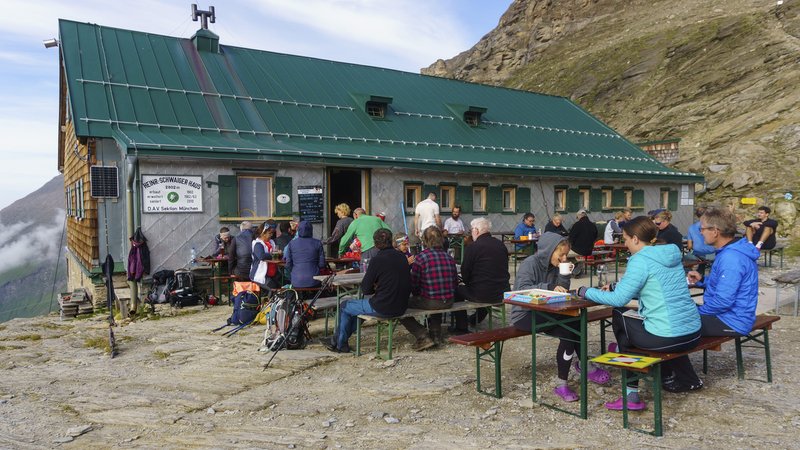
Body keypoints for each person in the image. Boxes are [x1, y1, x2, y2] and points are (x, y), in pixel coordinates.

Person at [578, 217, 702, 410]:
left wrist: (585, 291)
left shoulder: (640, 260)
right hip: (692, 332)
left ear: (635, 239)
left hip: (667, 337)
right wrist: (616, 286)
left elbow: (620, 300)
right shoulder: (670, 254)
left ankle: (631, 395)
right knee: (641, 322)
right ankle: (683, 377)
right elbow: (653, 287)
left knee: (620, 316)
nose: (625, 244)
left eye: (626, 239)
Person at [511, 232, 612, 402]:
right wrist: (549, 286)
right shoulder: (530, 264)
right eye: (561, 254)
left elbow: (562, 289)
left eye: (567, 254)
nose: (564, 257)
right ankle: (563, 383)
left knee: (575, 323)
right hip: (524, 313)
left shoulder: (556, 264)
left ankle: (581, 368)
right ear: (548, 251)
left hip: (546, 311)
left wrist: (564, 274)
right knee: (568, 327)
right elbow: (522, 289)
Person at [325, 228, 410, 353]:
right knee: (355, 311)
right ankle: (337, 341)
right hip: (402, 305)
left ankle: (340, 343)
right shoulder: (402, 257)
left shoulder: (377, 260)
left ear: (375, 244)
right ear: (392, 241)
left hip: (384, 307)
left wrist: (376, 286)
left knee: (344, 305)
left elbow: (365, 289)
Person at [687, 208, 760, 339]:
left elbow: (723, 301)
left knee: (672, 324)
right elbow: (728, 285)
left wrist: (697, 313)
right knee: (679, 313)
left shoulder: (731, 258)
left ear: (715, 231)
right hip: (733, 316)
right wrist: (703, 280)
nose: (701, 233)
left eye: (702, 229)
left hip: (731, 321)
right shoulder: (733, 250)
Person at [399, 227, 459, 348]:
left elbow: (414, 285)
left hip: (431, 302)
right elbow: (454, 282)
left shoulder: (421, 257)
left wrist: (416, 294)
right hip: (449, 301)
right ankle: (436, 333)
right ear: (441, 240)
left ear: (424, 241)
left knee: (398, 305)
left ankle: (422, 335)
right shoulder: (449, 258)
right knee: (436, 296)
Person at [453, 217, 510, 331]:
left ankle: (461, 326)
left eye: (471, 230)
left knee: (456, 290)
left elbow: (465, 272)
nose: (471, 233)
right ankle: (474, 320)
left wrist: (466, 282)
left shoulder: (473, 247)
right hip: (502, 292)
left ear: (476, 231)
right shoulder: (500, 245)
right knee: (482, 287)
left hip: (483, 294)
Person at [284, 221, 326, 288]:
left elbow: (288, 264)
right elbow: (322, 264)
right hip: (314, 280)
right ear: (311, 230)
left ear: (298, 230)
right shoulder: (318, 243)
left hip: (296, 281)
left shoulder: (291, 243)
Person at [249, 221, 280, 290]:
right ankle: (271, 299)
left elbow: (276, 255)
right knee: (274, 287)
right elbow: (261, 256)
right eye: (270, 233)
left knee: (282, 284)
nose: (271, 235)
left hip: (272, 272)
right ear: (263, 233)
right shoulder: (258, 244)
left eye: (272, 233)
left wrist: (280, 253)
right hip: (260, 274)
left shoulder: (272, 242)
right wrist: (273, 254)